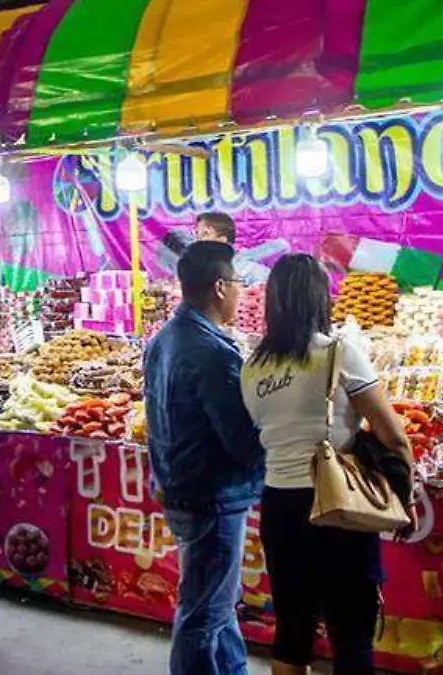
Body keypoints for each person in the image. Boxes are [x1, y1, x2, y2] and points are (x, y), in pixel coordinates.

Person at [239, 254, 413, 675]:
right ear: (321, 297)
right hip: (339, 504)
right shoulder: (338, 352)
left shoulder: (252, 367)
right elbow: (393, 434)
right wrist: (403, 494)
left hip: (280, 506)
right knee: (351, 633)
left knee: (292, 629)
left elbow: (264, 433)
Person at [142, 241, 265, 675]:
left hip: (180, 485)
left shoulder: (163, 340)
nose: (240, 292)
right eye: (238, 283)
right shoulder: (213, 353)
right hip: (212, 493)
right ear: (218, 287)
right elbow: (241, 439)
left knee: (217, 602)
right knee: (203, 614)